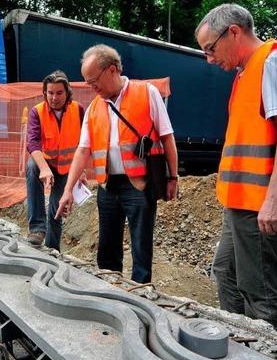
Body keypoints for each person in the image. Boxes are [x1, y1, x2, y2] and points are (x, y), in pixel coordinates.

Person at [195, 4, 277, 333]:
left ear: (233, 32)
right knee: (226, 272)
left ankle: (269, 358)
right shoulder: (248, 70)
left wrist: (275, 198)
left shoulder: (274, 62)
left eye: (211, 48)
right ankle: (242, 339)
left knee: (259, 287)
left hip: (260, 200)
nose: (210, 58)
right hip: (242, 199)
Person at [56, 44, 178, 283]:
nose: (91, 88)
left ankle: (141, 292)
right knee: (107, 247)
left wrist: (172, 177)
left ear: (112, 70)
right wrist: (67, 190)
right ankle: (110, 290)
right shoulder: (94, 108)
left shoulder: (147, 93)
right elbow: (83, 151)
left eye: (93, 81)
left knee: (141, 245)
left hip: (140, 185)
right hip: (108, 186)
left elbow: (167, 136)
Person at [25, 70, 86, 250]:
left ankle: (52, 250)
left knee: (56, 210)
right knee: (31, 167)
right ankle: (36, 228)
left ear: (67, 92)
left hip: (68, 168)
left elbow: (85, 143)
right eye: (50, 93)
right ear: (45, 93)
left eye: (59, 93)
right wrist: (44, 169)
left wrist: (82, 171)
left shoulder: (78, 110)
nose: (54, 97)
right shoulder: (37, 112)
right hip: (47, 164)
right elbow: (32, 143)